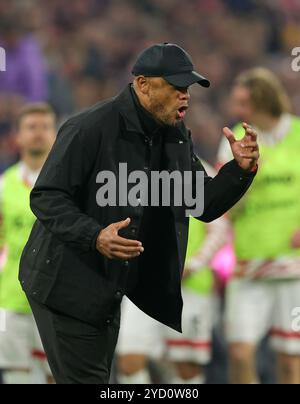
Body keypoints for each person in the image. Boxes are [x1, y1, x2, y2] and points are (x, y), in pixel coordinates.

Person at [19, 43, 259, 384]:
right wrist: (95, 235)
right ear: (143, 84)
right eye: (175, 87)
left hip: (110, 285)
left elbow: (200, 203)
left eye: (187, 88)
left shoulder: (174, 136)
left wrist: (239, 171)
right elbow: (47, 197)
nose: (185, 97)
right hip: (63, 282)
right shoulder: (88, 128)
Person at [218, 67, 300, 384]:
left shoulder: (297, 133)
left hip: (293, 266)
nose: (238, 111)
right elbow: (224, 204)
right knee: (239, 352)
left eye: (243, 103)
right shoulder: (235, 141)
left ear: (263, 101)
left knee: (291, 360)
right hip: (248, 263)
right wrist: (242, 178)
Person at [117, 162, 230, 385]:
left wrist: (193, 264)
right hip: (143, 284)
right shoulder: (132, 168)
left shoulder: (196, 169)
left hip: (188, 287)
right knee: (129, 360)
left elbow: (219, 228)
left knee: (186, 366)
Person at [0, 103, 56, 384]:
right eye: (31, 127)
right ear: (18, 137)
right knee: (16, 376)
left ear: (55, 135)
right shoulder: (3, 185)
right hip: (10, 300)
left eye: (45, 127)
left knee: (56, 375)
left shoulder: (69, 184)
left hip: (56, 299)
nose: (38, 134)